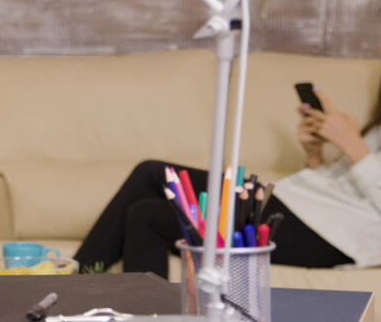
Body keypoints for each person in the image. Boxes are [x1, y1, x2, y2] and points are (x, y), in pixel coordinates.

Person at [74, 84, 381, 277]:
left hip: (335, 239)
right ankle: (140, 312)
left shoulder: (361, 141)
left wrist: (354, 147)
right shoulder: (375, 129)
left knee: (153, 173)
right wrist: (314, 157)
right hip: (303, 212)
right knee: (146, 213)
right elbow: (337, 192)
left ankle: (66, 287)